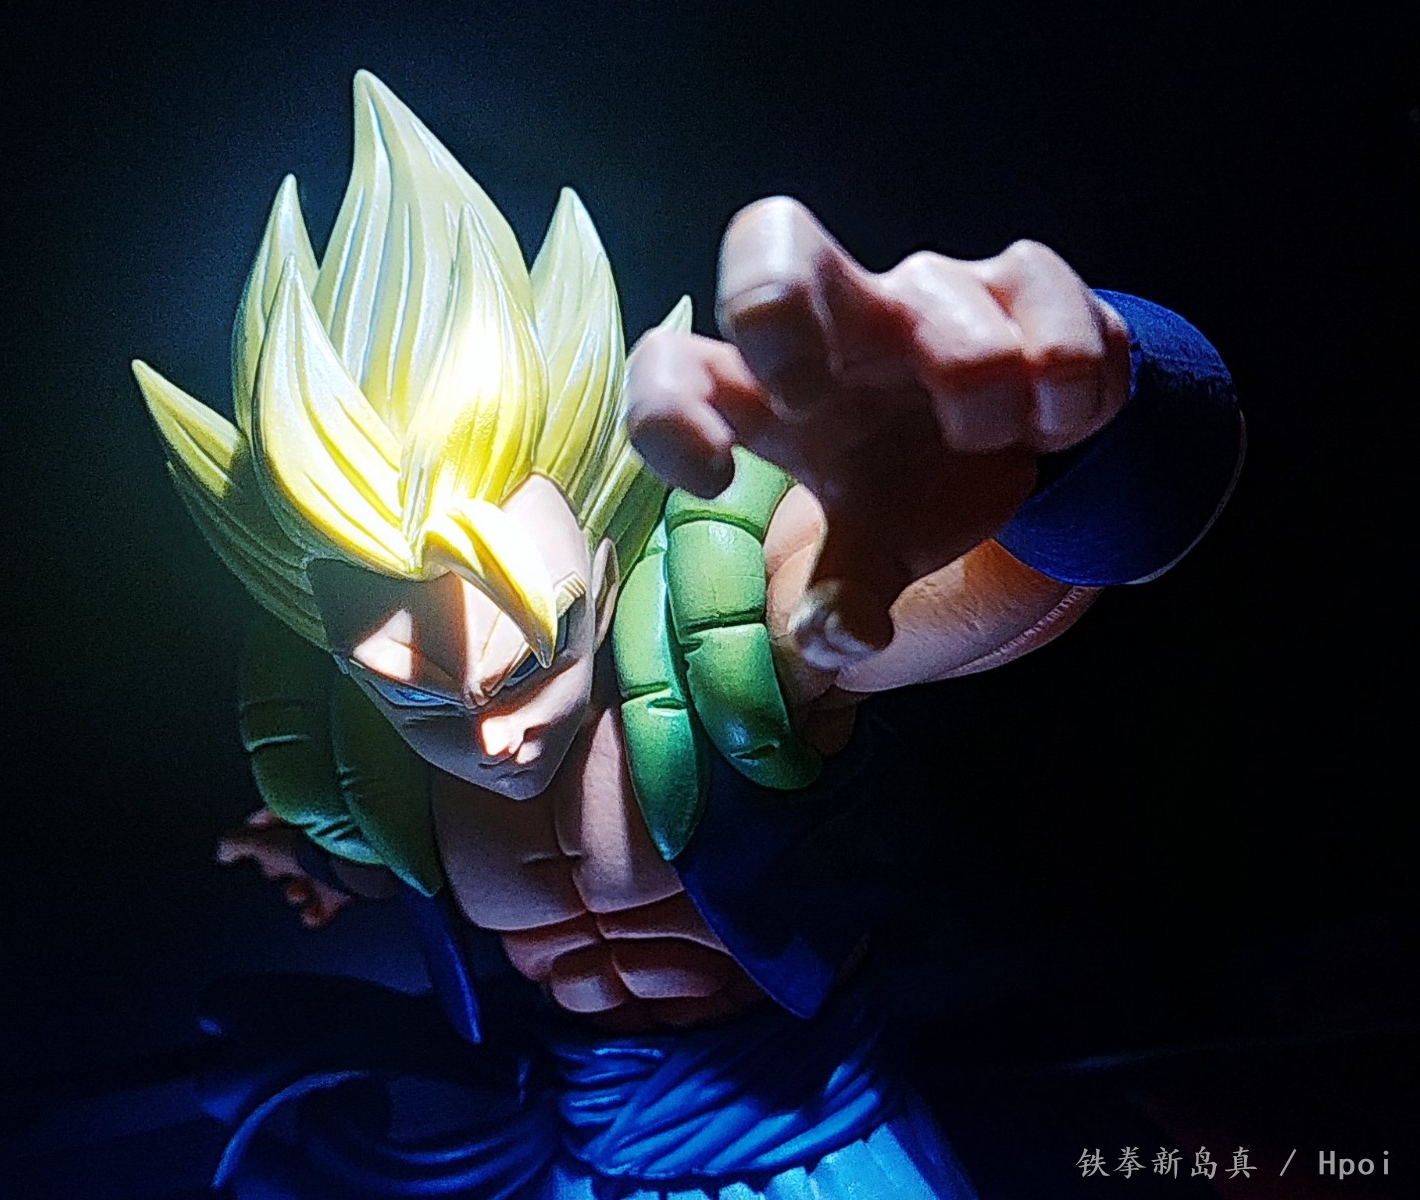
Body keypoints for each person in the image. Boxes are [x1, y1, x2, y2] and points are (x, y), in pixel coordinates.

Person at [135, 70, 1242, 1200]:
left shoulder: (721, 633)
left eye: (525, 661)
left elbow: (1024, 585)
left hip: (812, 1142)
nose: (493, 733)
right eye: (418, 691)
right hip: (590, 1147)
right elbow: (395, 853)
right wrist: (323, 858)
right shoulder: (365, 753)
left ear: (600, 562)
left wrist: (1081, 415)